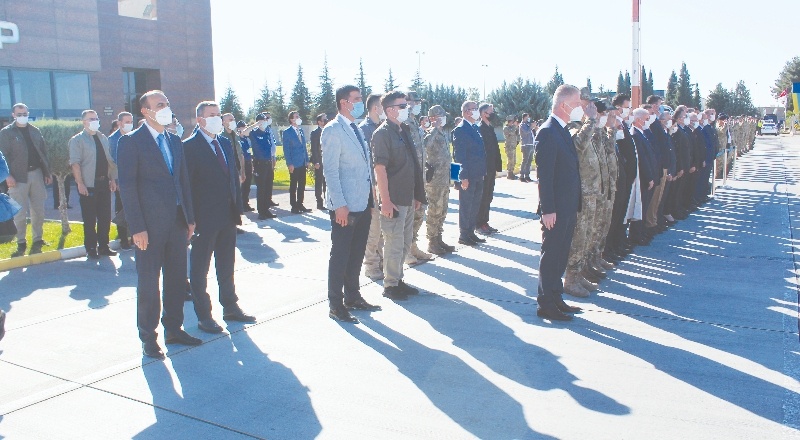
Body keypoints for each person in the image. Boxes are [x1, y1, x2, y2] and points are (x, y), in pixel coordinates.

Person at [117, 90, 200, 360]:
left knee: (177, 279)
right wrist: (137, 227)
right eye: (160, 104)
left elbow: (183, 181)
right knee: (149, 283)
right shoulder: (131, 142)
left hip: (176, 222)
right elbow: (127, 188)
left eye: (167, 103)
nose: (166, 108)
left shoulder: (174, 140)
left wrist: (189, 218)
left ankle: (174, 328)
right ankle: (148, 337)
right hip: (149, 228)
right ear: (146, 111)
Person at [184, 101, 255, 334]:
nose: (218, 119)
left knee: (226, 264)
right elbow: (187, 187)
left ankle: (230, 306)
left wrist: (238, 209)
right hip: (204, 219)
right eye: (212, 115)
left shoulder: (224, 142)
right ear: (200, 120)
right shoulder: (189, 147)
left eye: (218, 114)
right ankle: (204, 315)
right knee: (199, 269)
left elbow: (233, 177)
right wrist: (190, 219)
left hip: (227, 216)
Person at [322, 85, 381, 323]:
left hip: (362, 201)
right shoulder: (333, 130)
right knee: (341, 255)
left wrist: (371, 198)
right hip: (344, 205)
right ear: (344, 102)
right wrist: (339, 205)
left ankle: (353, 296)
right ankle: (336, 304)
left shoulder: (355, 128)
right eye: (356, 99)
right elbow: (331, 171)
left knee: (356, 254)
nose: (359, 103)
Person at [534, 84, 585, 321]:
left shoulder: (562, 130)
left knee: (561, 253)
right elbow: (544, 176)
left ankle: (556, 297)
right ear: (564, 105)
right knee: (551, 254)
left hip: (568, 205)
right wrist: (548, 209)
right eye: (577, 104)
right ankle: (545, 303)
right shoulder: (547, 131)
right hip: (556, 209)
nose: (580, 108)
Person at [373, 90, 426, 300]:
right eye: (403, 106)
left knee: (404, 242)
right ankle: (390, 285)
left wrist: (415, 194)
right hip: (393, 199)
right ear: (390, 110)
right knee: (393, 243)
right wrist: (385, 200)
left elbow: (410, 164)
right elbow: (380, 169)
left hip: (407, 197)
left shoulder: (402, 130)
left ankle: (398, 279)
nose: (407, 109)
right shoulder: (382, 134)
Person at [0, 103, 52, 256]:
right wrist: (7, 175)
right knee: (20, 212)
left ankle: (38, 239)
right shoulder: (6, 133)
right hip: (17, 177)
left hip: (36, 174)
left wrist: (47, 172)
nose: (22, 116)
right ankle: (21, 241)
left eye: (25, 113)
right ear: (13, 115)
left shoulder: (35, 131)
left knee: (38, 209)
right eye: (19, 113)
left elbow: (43, 152)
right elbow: (2, 156)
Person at [68, 109, 119, 259]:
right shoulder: (77, 140)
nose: (95, 121)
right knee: (90, 219)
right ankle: (91, 247)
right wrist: (80, 183)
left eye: (96, 118)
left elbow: (109, 161)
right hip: (88, 185)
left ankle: (104, 246)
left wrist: (112, 179)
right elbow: (75, 163)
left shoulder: (102, 137)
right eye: (91, 119)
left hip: (104, 183)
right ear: (84, 122)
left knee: (105, 217)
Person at [402, 91, 433, 264]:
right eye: (415, 101)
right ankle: (405, 251)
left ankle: (413, 246)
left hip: (421, 176)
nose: (418, 104)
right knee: (407, 216)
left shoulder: (414, 122)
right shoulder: (403, 122)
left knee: (419, 213)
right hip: (409, 177)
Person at [452, 101, 487, 246]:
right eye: (475, 109)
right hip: (468, 175)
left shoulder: (475, 128)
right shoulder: (460, 129)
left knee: (475, 204)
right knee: (466, 205)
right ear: (467, 112)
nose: (477, 112)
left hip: (478, 174)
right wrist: (462, 177)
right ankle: (464, 234)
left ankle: (471, 232)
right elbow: (458, 156)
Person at [359, 94, 386, 280]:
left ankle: (382, 262)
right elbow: (366, 162)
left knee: (383, 230)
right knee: (373, 230)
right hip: (372, 186)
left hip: (385, 185)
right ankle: (371, 265)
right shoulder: (364, 130)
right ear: (376, 108)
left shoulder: (384, 128)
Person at [423, 105, 455, 255]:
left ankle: (439, 238)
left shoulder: (443, 132)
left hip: (445, 179)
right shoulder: (430, 133)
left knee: (442, 210)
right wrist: (434, 129)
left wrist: (454, 176)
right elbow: (425, 146)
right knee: (434, 211)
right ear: (434, 117)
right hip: (434, 180)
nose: (444, 118)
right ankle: (432, 241)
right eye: (442, 116)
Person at [108, 111, 134, 249]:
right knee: (121, 210)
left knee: (134, 208)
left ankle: (134, 237)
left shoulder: (133, 137)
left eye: (131, 122)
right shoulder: (113, 139)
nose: (130, 124)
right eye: (127, 122)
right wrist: (115, 180)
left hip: (134, 180)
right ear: (119, 123)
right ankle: (124, 239)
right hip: (121, 181)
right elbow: (112, 162)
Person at [476, 103, 502, 236]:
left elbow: (495, 149)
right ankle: (478, 223)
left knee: (488, 196)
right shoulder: (480, 128)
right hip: (484, 169)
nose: (492, 114)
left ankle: (485, 222)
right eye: (490, 111)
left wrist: (497, 165)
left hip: (491, 167)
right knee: (482, 196)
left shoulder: (489, 128)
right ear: (483, 113)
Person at [249, 112, 278, 219]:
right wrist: (255, 125)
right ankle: (261, 212)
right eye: (264, 120)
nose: (266, 121)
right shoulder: (254, 133)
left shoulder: (266, 133)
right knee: (261, 188)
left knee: (267, 187)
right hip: (259, 164)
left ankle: (266, 209)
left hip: (268, 162)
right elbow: (243, 133)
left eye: (266, 120)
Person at [282, 111, 311, 213]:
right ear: (291, 119)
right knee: (294, 185)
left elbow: (304, 147)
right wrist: (289, 163)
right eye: (296, 117)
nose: (298, 118)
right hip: (294, 163)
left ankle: (300, 204)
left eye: (298, 116)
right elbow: (286, 149)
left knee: (302, 185)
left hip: (302, 162)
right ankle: (294, 206)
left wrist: (307, 160)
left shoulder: (301, 130)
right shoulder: (287, 132)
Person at [310, 113, 328, 211]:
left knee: (327, 182)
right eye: (324, 120)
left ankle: (327, 200)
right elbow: (314, 148)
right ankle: (319, 202)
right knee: (319, 182)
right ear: (319, 122)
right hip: (319, 161)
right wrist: (316, 161)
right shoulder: (315, 133)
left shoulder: (329, 130)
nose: (326, 121)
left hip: (328, 160)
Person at [236, 120, 255, 212]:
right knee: (242, 185)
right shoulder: (238, 139)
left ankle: (246, 203)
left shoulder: (245, 139)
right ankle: (241, 204)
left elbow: (248, 152)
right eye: (244, 127)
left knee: (247, 185)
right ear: (239, 128)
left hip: (248, 162)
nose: (246, 129)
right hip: (241, 164)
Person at [518, 114, 536, 182]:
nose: (529, 118)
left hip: (531, 144)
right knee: (525, 160)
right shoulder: (522, 125)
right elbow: (526, 132)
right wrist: (531, 126)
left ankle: (527, 175)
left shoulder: (528, 124)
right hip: (525, 145)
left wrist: (533, 126)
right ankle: (522, 176)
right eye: (528, 117)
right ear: (525, 117)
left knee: (529, 161)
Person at [503, 115, 520, 180]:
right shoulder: (506, 128)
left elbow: (517, 134)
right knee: (510, 160)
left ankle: (511, 173)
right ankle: (509, 174)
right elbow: (511, 133)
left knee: (514, 160)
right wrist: (515, 126)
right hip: (509, 146)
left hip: (513, 146)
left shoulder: (514, 127)